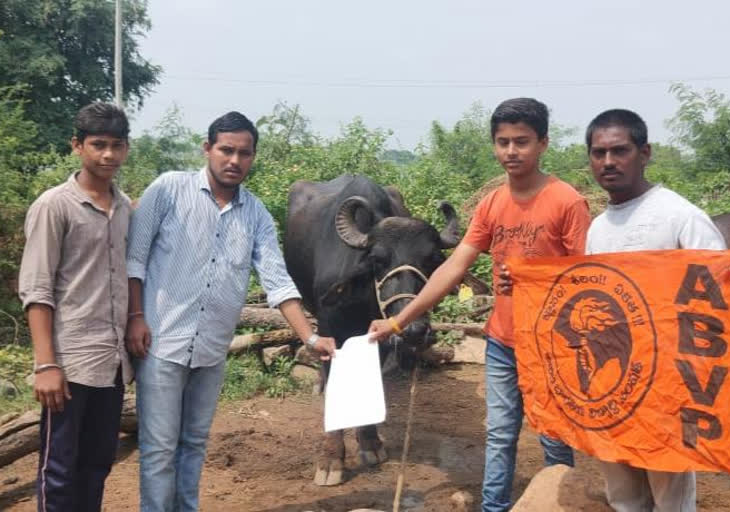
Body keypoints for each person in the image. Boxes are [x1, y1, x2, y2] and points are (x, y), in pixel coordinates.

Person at [369, 98, 590, 512]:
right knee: (500, 434)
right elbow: (454, 266)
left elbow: (587, 280)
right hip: (503, 341)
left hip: (552, 346)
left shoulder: (567, 202)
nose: (511, 151)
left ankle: (561, 503)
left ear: (543, 143)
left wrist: (534, 277)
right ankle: (493, 508)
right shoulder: (492, 203)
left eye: (521, 141)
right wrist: (398, 322)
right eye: (503, 142)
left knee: (555, 436)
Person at [125, 111, 335, 512]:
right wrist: (135, 318)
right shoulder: (168, 190)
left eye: (244, 153)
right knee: (158, 450)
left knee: (193, 444)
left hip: (211, 350)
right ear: (207, 149)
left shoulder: (255, 214)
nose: (234, 160)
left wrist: (309, 337)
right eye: (226, 150)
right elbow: (134, 259)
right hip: (161, 342)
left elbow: (278, 282)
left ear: (253, 157)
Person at [583, 108, 730, 512]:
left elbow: (717, 304)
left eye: (619, 150)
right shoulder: (597, 228)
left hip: (667, 389)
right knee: (623, 495)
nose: (608, 162)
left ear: (645, 153)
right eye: (599, 152)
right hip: (615, 382)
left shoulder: (680, 216)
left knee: (671, 499)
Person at [18, 102, 133, 511]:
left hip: (112, 361)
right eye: (97, 144)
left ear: (126, 149)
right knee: (59, 469)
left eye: (116, 145)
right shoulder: (55, 205)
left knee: (98, 464)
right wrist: (46, 364)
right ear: (77, 146)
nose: (107, 155)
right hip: (69, 364)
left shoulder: (124, 208)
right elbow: (36, 289)